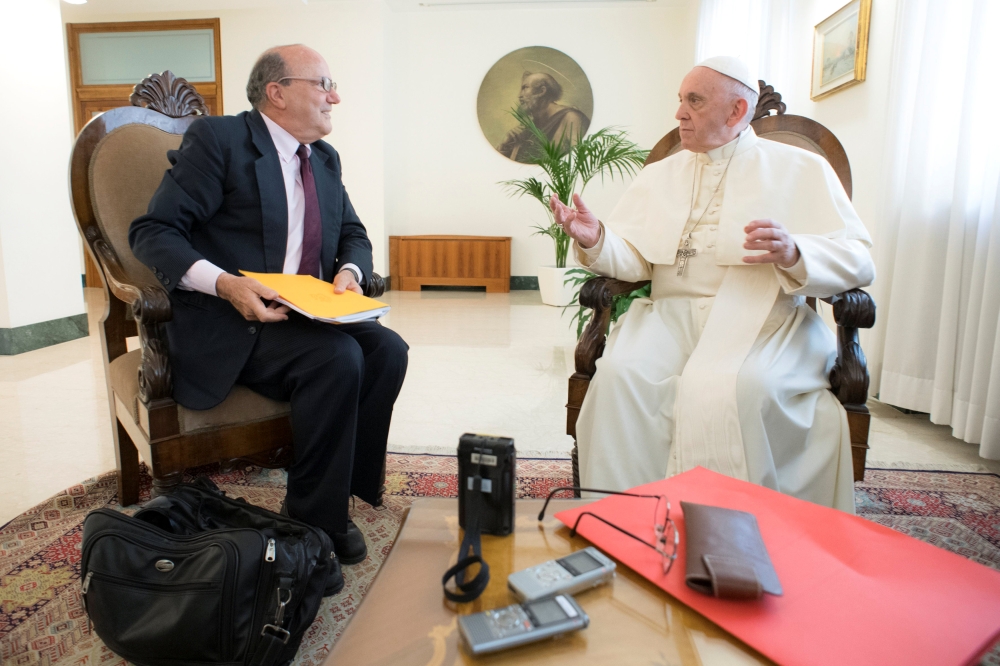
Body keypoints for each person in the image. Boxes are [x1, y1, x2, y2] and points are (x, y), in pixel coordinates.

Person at [129, 44, 408, 591]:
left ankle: (337, 486)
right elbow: (153, 232)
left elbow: (353, 233)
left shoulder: (323, 158)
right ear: (276, 93)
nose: (336, 96)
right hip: (229, 318)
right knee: (339, 358)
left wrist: (350, 272)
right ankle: (314, 523)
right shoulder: (221, 141)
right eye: (323, 83)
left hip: (303, 314)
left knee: (388, 349)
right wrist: (228, 285)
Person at [552, 56, 873, 513]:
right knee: (621, 378)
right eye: (680, 100)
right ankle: (626, 523)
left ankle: (752, 530)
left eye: (694, 101)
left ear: (737, 111)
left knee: (750, 389)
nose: (679, 113)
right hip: (668, 317)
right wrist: (597, 239)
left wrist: (796, 252)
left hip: (763, 320)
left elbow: (857, 259)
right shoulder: (660, 174)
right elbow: (638, 260)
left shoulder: (800, 168)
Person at [497, 71, 591, 163]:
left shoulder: (571, 119)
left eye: (525, 88)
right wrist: (506, 143)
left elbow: (581, 162)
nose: (519, 96)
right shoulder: (528, 128)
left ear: (542, 91)